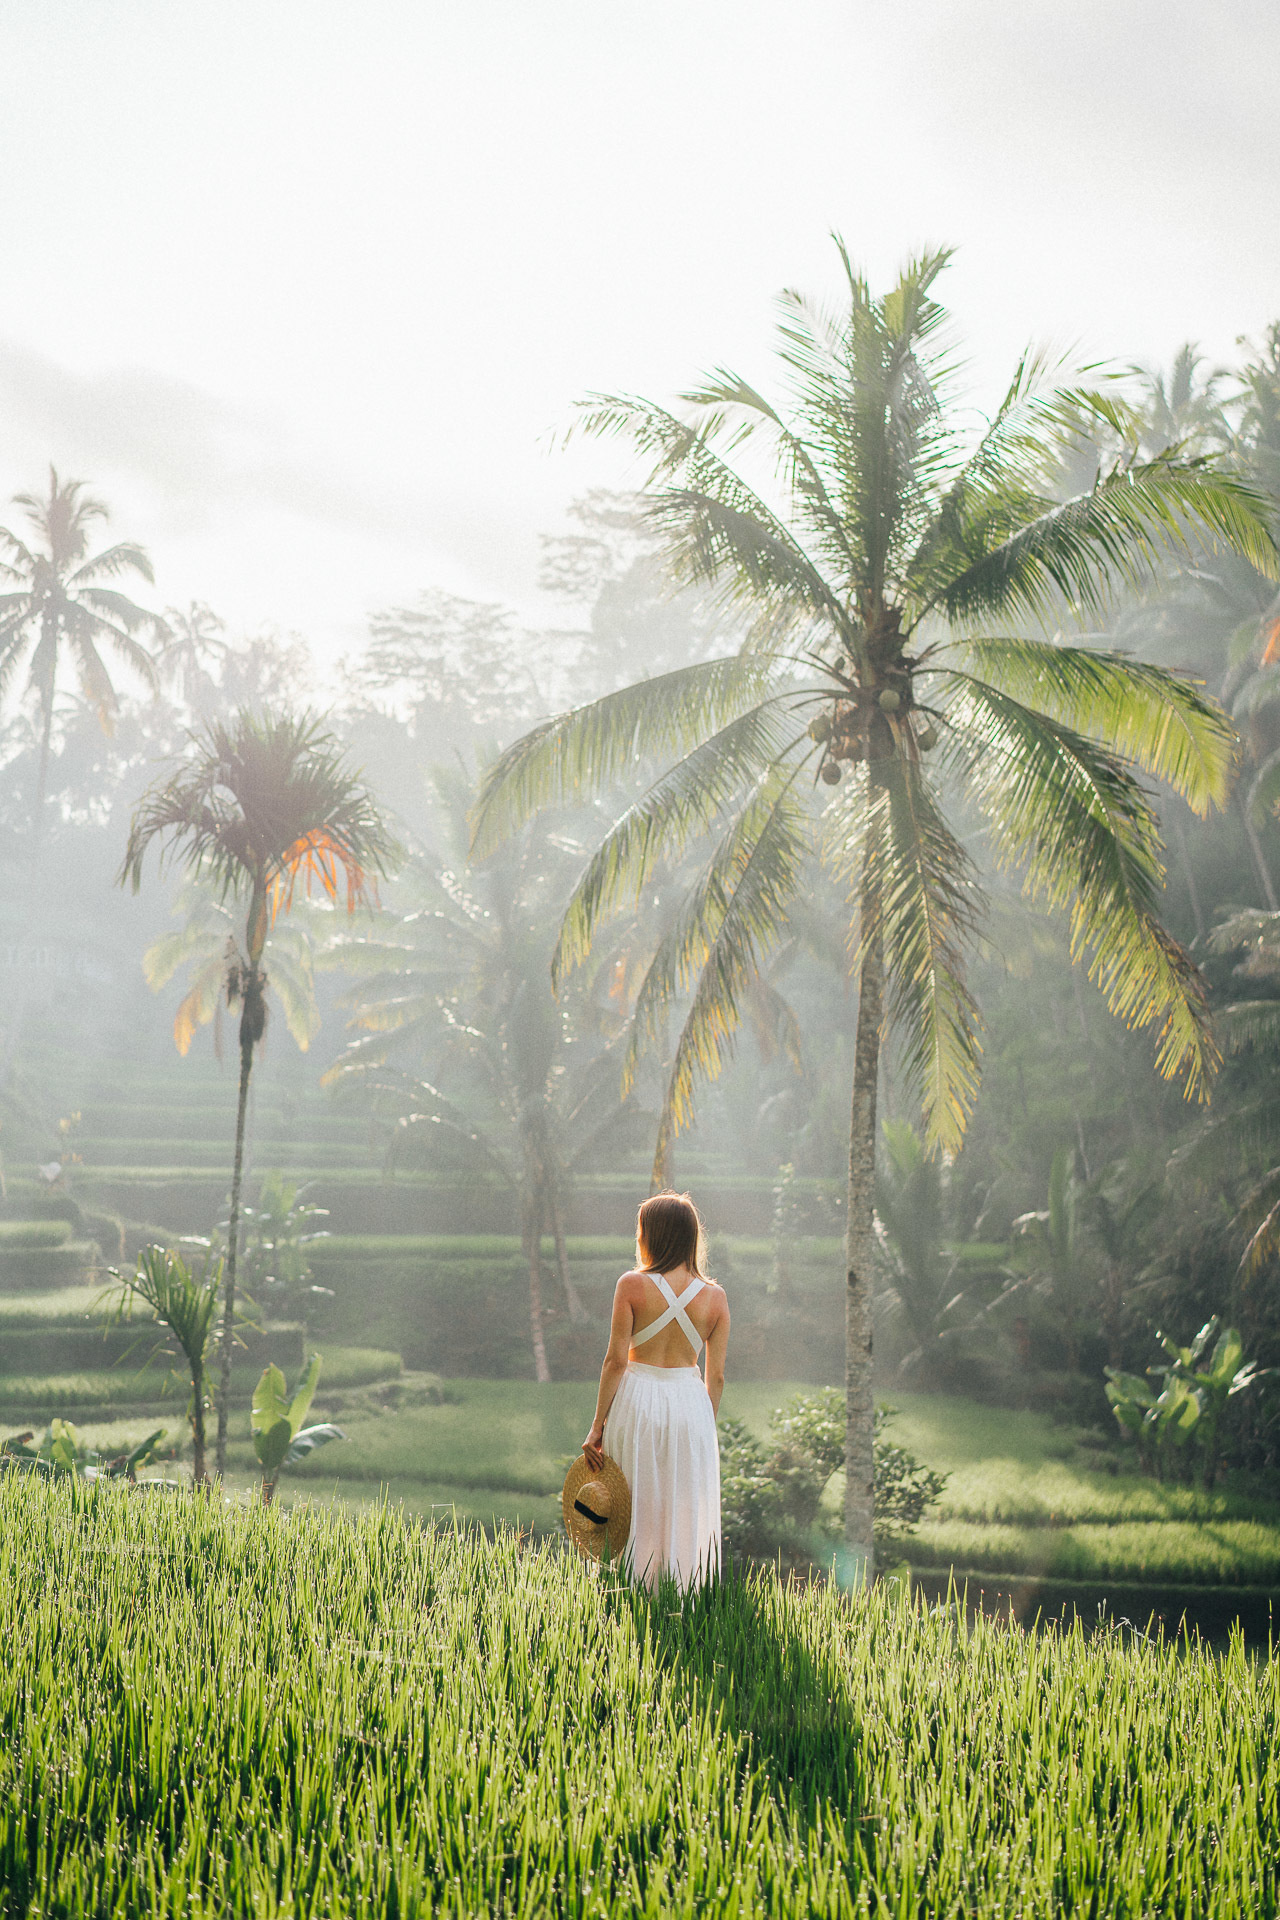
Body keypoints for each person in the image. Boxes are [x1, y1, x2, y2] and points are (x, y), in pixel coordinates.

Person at [582, 1190, 729, 1591]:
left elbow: (615, 1361)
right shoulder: (715, 1298)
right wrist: (703, 1426)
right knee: (682, 1500)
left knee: (632, 1498)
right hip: (689, 1403)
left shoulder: (631, 1285)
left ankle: (628, 1589)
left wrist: (597, 1426)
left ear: (652, 1235)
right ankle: (683, 1592)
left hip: (636, 1399)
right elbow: (715, 1377)